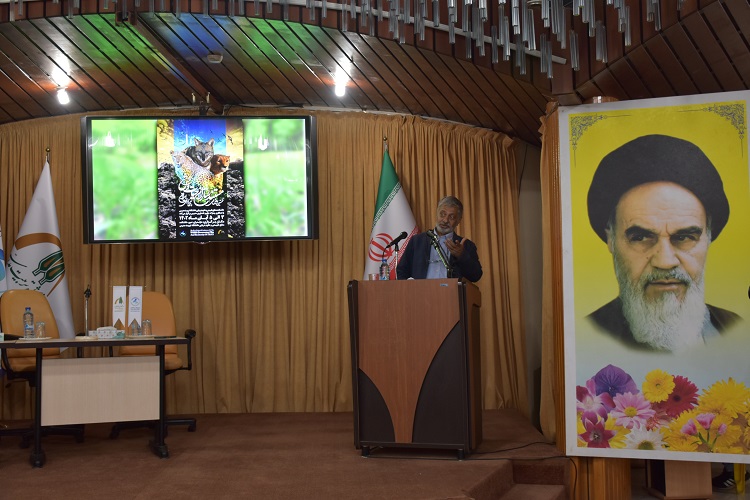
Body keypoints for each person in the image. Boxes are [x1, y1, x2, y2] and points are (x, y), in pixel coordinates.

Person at [586, 134, 741, 352]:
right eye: (641, 238)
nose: (665, 262)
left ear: (708, 237)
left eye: (684, 237)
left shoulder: (736, 327)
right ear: (611, 239)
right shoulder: (586, 337)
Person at [396, 195, 482, 282]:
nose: (445, 220)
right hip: (421, 290)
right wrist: (410, 287)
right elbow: (401, 270)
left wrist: (462, 256)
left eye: (451, 217)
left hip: (451, 290)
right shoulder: (417, 241)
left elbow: (476, 276)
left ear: (458, 220)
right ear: (437, 213)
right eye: (442, 214)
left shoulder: (466, 245)